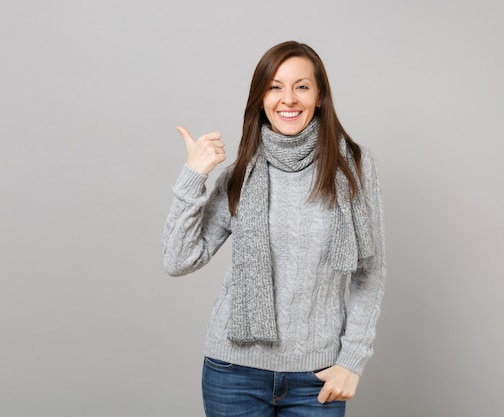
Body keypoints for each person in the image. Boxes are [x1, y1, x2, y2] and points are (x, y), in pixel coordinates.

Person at [162, 41, 385, 417]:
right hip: (233, 373)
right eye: (275, 86)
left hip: (317, 376)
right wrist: (193, 177)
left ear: (319, 96)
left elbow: (370, 272)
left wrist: (352, 360)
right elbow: (178, 259)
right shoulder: (241, 174)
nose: (288, 99)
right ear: (261, 98)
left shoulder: (353, 168)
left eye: (302, 86)